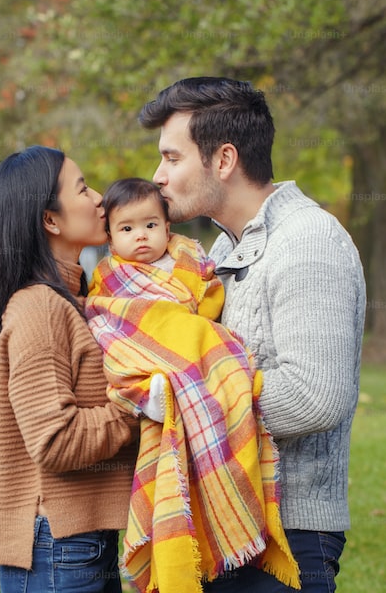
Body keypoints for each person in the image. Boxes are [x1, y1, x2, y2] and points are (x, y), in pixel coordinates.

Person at [138, 77, 366, 593]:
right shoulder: (220, 253)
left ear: (223, 160)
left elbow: (316, 398)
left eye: (172, 159)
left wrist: (181, 411)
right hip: (225, 518)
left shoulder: (309, 241)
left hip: (287, 532)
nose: (158, 177)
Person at [85, 177, 299, 593]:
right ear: (110, 236)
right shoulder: (111, 279)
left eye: (150, 225)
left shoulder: (191, 260)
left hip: (196, 362)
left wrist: (194, 331)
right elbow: (111, 326)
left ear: (168, 228)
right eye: (126, 229)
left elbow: (210, 306)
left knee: (211, 350)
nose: (140, 236)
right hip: (155, 371)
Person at [0, 145, 140, 593]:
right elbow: (55, 440)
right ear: (50, 219)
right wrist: (138, 408)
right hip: (57, 547)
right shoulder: (40, 308)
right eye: (83, 188)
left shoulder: (71, 301)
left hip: (78, 540)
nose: (99, 200)